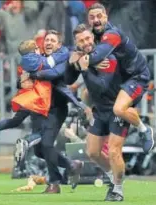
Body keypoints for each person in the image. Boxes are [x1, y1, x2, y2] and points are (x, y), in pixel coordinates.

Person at [0, 30, 87, 193]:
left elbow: (55, 74)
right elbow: (23, 75)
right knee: (39, 151)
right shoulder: (40, 59)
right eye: (47, 40)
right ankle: (71, 165)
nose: (49, 42)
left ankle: (54, 183)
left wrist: (34, 75)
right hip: (39, 107)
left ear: (59, 45)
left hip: (56, 108)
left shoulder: (62, 59)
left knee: (46, 144)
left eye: (53, 40)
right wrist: (20, 82)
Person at [71, 3, 154, 153]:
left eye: (99, 16)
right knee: (86, 95)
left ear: (106, 17)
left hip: (136, 76)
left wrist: (84, 61)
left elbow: (98, 55)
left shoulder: (112, 34)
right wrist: (77, 57)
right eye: (92, 17)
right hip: (119, 78)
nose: (96, 19)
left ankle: (144, 130)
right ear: (88, 20)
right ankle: (88, 115)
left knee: (119, 109)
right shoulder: (92, 36)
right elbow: (77, 53)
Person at [65, 24, 130, 201]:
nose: (86, 42)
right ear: (77, 43)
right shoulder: (83, 56)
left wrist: (85, 68)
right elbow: (68, 75)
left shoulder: (108, 56)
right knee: (92, 152)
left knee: (114, 152)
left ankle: (118, 189)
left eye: (87, 38)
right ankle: (111, 177)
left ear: (93, 38)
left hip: (118, 108)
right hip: (99, 111)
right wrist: (75, 61)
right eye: (81, 40)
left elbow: (101, 87)